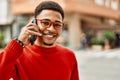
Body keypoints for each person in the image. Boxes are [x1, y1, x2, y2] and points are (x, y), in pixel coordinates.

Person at [0, 1, 79, 80]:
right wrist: (18, 43)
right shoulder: (18, 55)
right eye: (45, 23)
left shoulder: (69, 56)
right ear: (34, 23)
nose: (51, 29)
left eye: (57, 24)